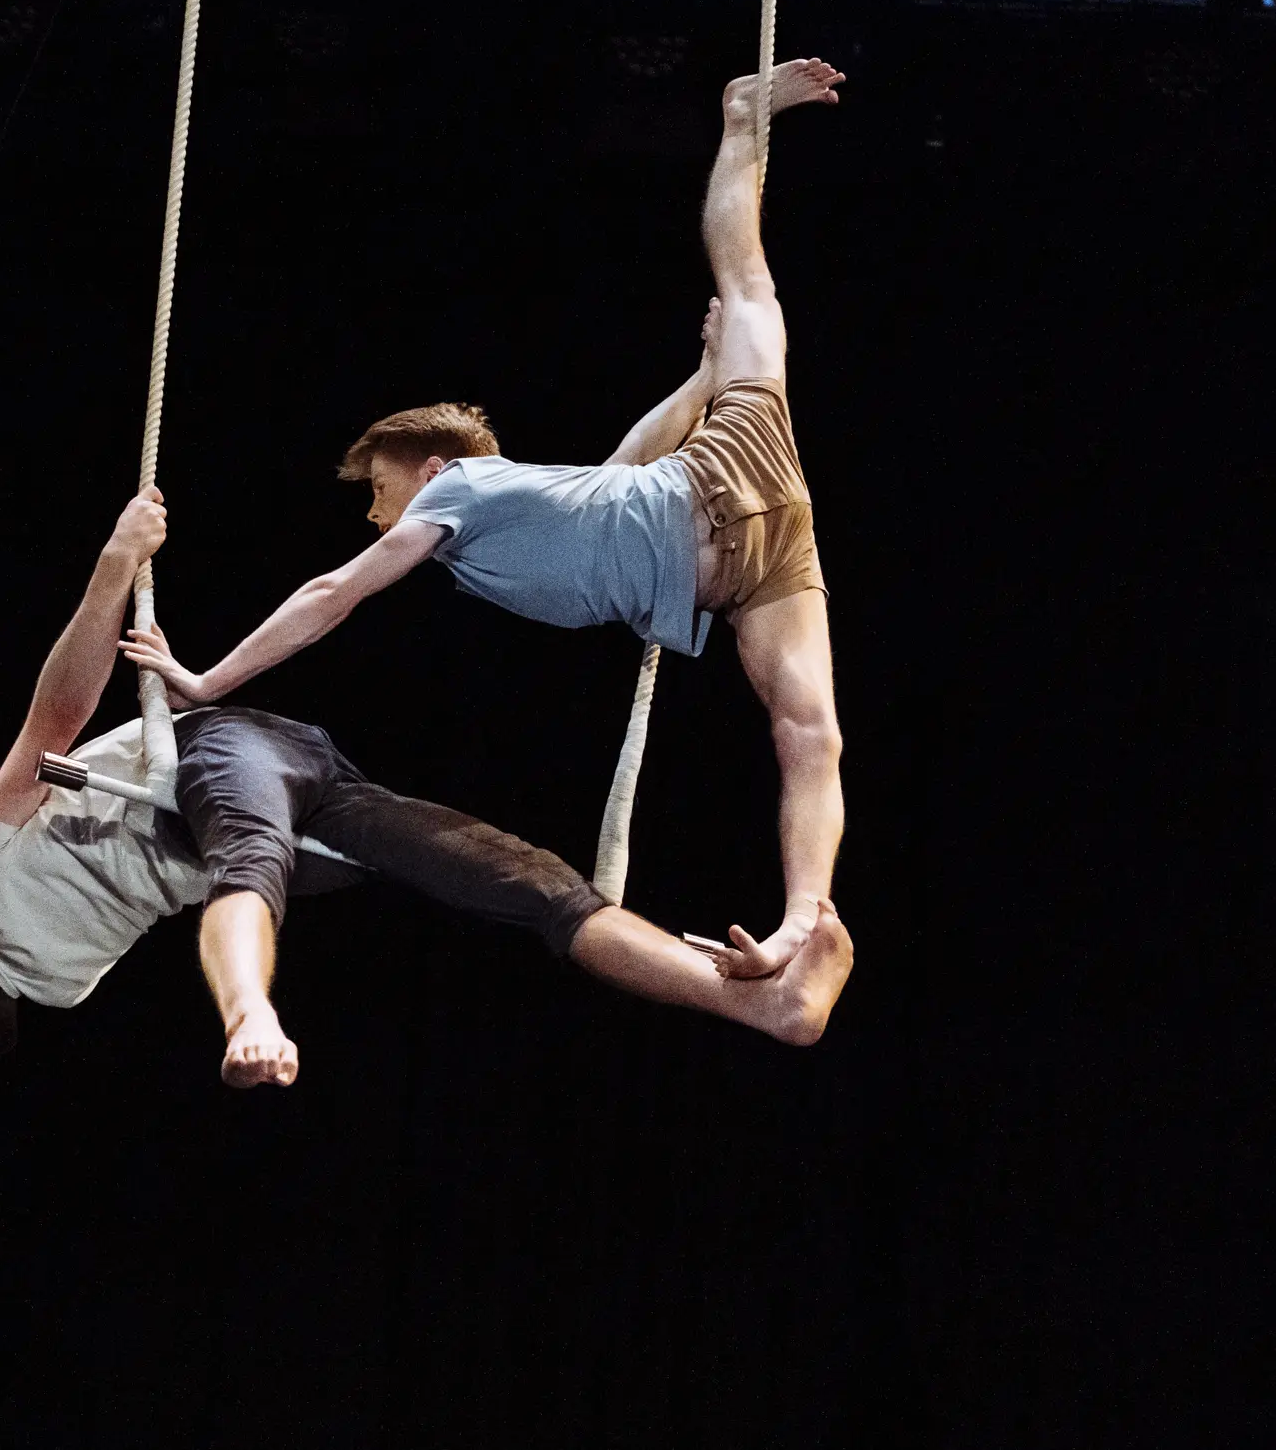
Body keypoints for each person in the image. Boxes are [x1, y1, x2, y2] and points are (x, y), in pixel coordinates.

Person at [0, 489, 853, 1085]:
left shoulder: (53, 979)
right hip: (225, 771)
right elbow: (50, 722)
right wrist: (115, 563)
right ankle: (250, 1008)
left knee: (528, 884)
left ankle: (746, 999)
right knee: (243, 856)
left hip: (301, 819)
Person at [122, 59, 849, 981]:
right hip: (755, 559)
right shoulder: (514, 515)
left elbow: (333, 591)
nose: (379, 514)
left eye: (380, 490)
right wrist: (701, 382)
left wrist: (204, 678)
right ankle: (800, 923)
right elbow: (614, 474)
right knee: (807, 729)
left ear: (431, 470)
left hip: (724, 474)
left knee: (748, 285)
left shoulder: (456, 494)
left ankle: (739, 118)